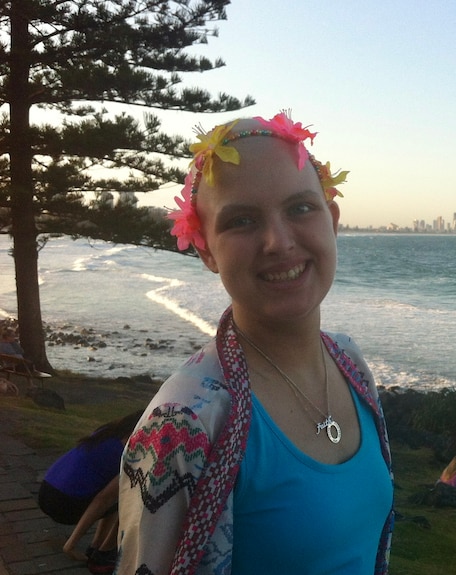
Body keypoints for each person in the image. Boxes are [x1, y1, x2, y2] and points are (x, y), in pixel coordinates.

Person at [116, 110, 394, 575]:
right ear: (205, 249)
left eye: (301, 208)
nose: (279, 242)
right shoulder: (180, 427)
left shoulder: (349, 362)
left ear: (334, 220)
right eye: (242, 220)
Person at [38, 410, 144, 574]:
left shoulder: (107, 431)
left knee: (116, 495)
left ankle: (95, 547)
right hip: (62, 503)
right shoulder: (131, 450)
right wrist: (70, 545)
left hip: (46, 490)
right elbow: (103, 499)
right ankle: (103, 555)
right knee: (131, 500)